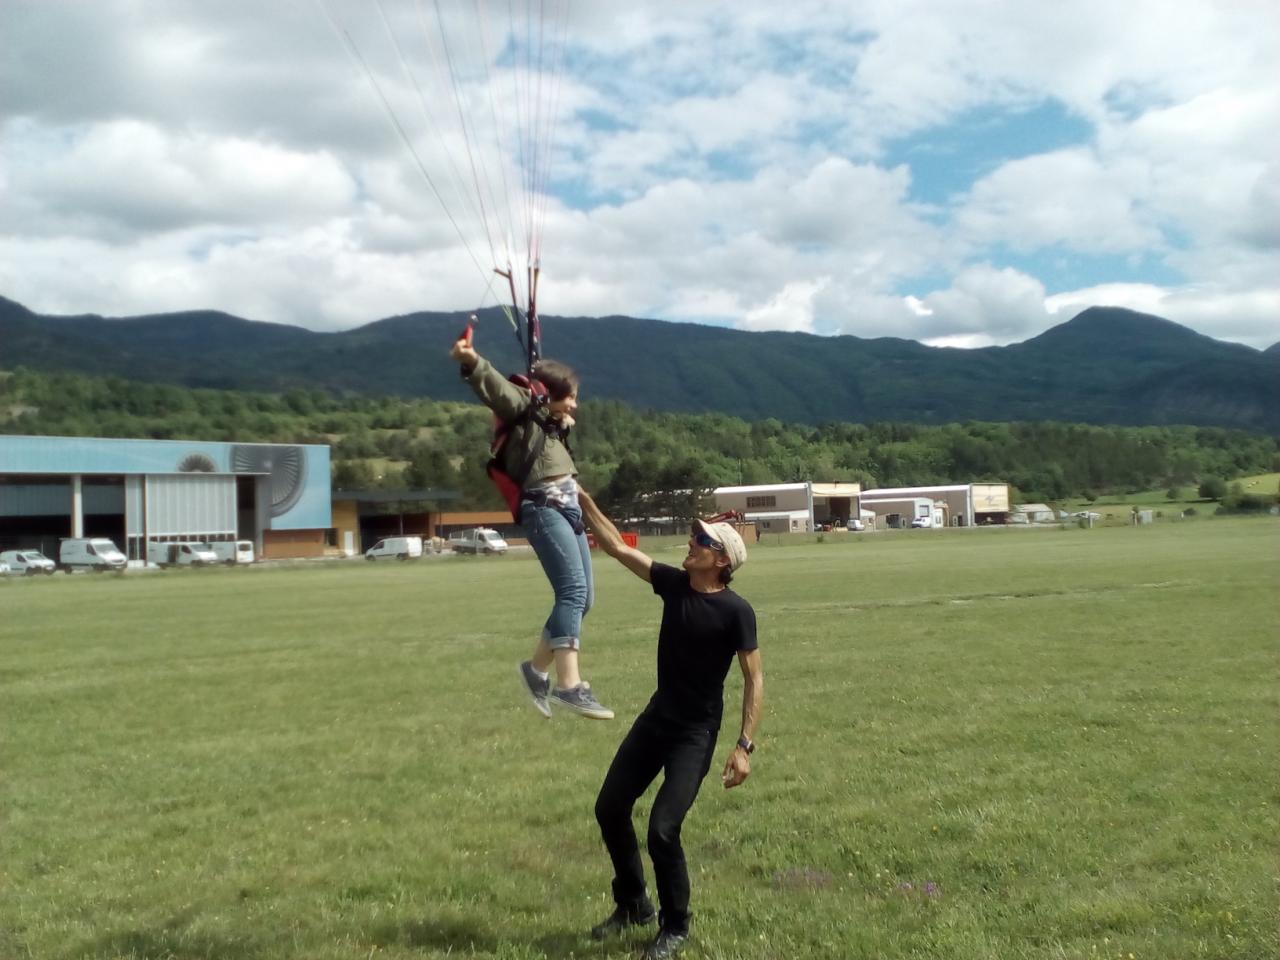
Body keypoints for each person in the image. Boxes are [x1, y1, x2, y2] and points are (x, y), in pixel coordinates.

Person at [579, 491, 764, 960]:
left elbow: (753, 677)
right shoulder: (676, 584)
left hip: (694, 734)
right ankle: (633, 903)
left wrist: (744, 745)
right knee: (609, 808)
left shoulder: (736, 611)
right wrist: (583, 500)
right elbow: (619, 549)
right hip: (657, 719)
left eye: (701, 539)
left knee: (663, 829)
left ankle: (675, 925)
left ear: (721, 559)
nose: (691, 541)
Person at [450, 334, 612, 720]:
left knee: (584, 598)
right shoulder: (522, 407)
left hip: (567, 509)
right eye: (569, 396)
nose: (574, 403)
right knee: (572, 592)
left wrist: (560, 419)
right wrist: (471, 361)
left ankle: (536, 670)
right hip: (544, 508)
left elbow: (552, 429)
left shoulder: (548, 423)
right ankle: (570, 686)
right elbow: (496, 389)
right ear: (549, 393)